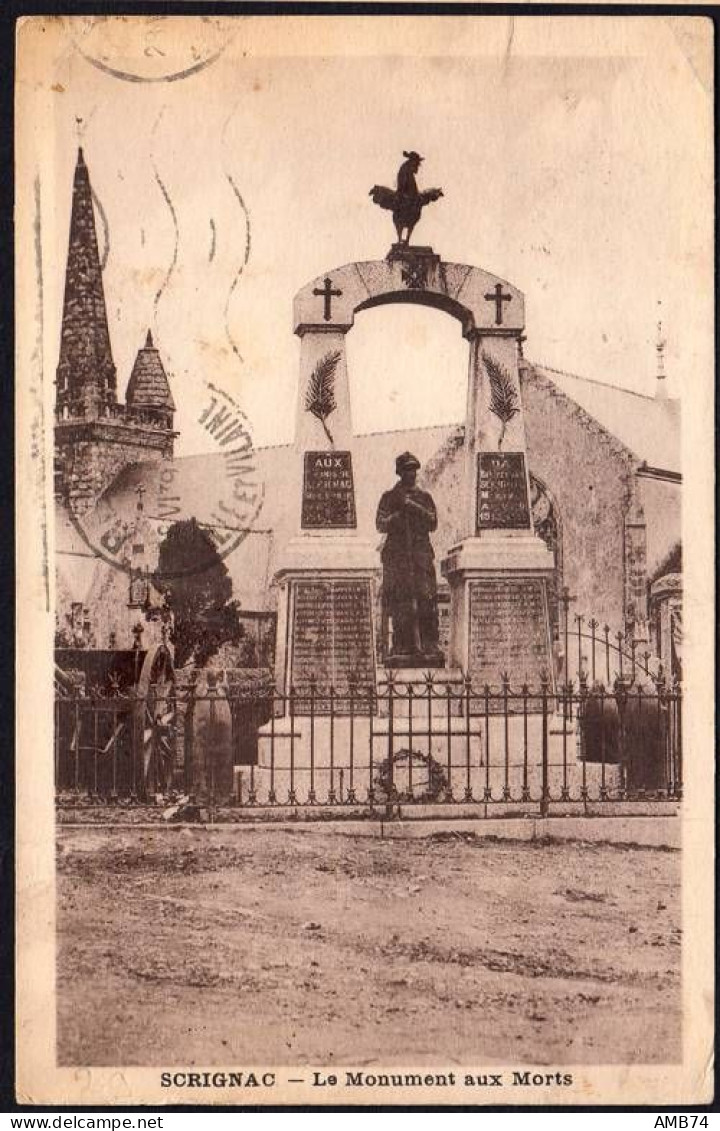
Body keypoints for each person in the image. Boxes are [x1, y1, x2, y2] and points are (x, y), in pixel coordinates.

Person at [375, 452, 443, 665]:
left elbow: (433, 522)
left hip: (421, 556)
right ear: (399, 472)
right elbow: (380, 523)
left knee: (426, 598)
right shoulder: (389, 497)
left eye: (414, 469)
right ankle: (402, 645)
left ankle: (428, 644)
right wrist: (397, 514)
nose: (411, 474)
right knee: (401, 601)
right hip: (399, 558)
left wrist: (413, 507)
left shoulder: (424, 497)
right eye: (407, 470)